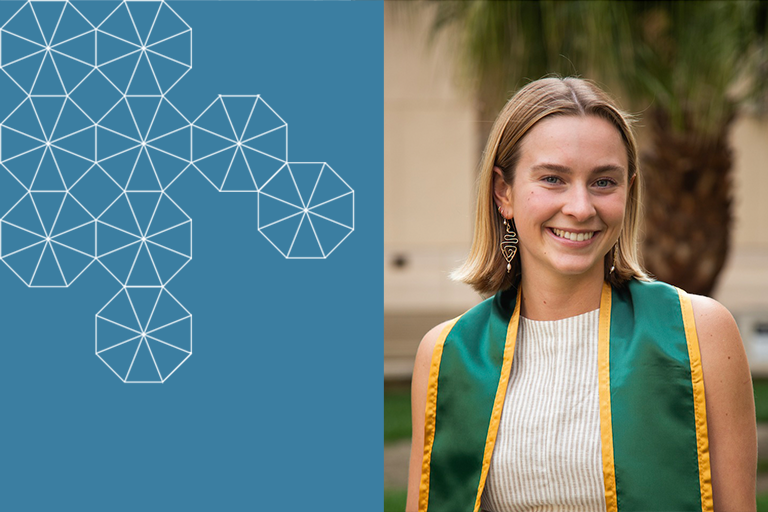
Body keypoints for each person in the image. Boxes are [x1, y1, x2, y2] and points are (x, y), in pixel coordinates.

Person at [405, 78, 756, 512]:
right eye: (553, 179)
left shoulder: (699, 332)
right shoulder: (446, 355)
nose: (581, 207)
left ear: (628, 190)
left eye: (603, 182)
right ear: (503, 192)